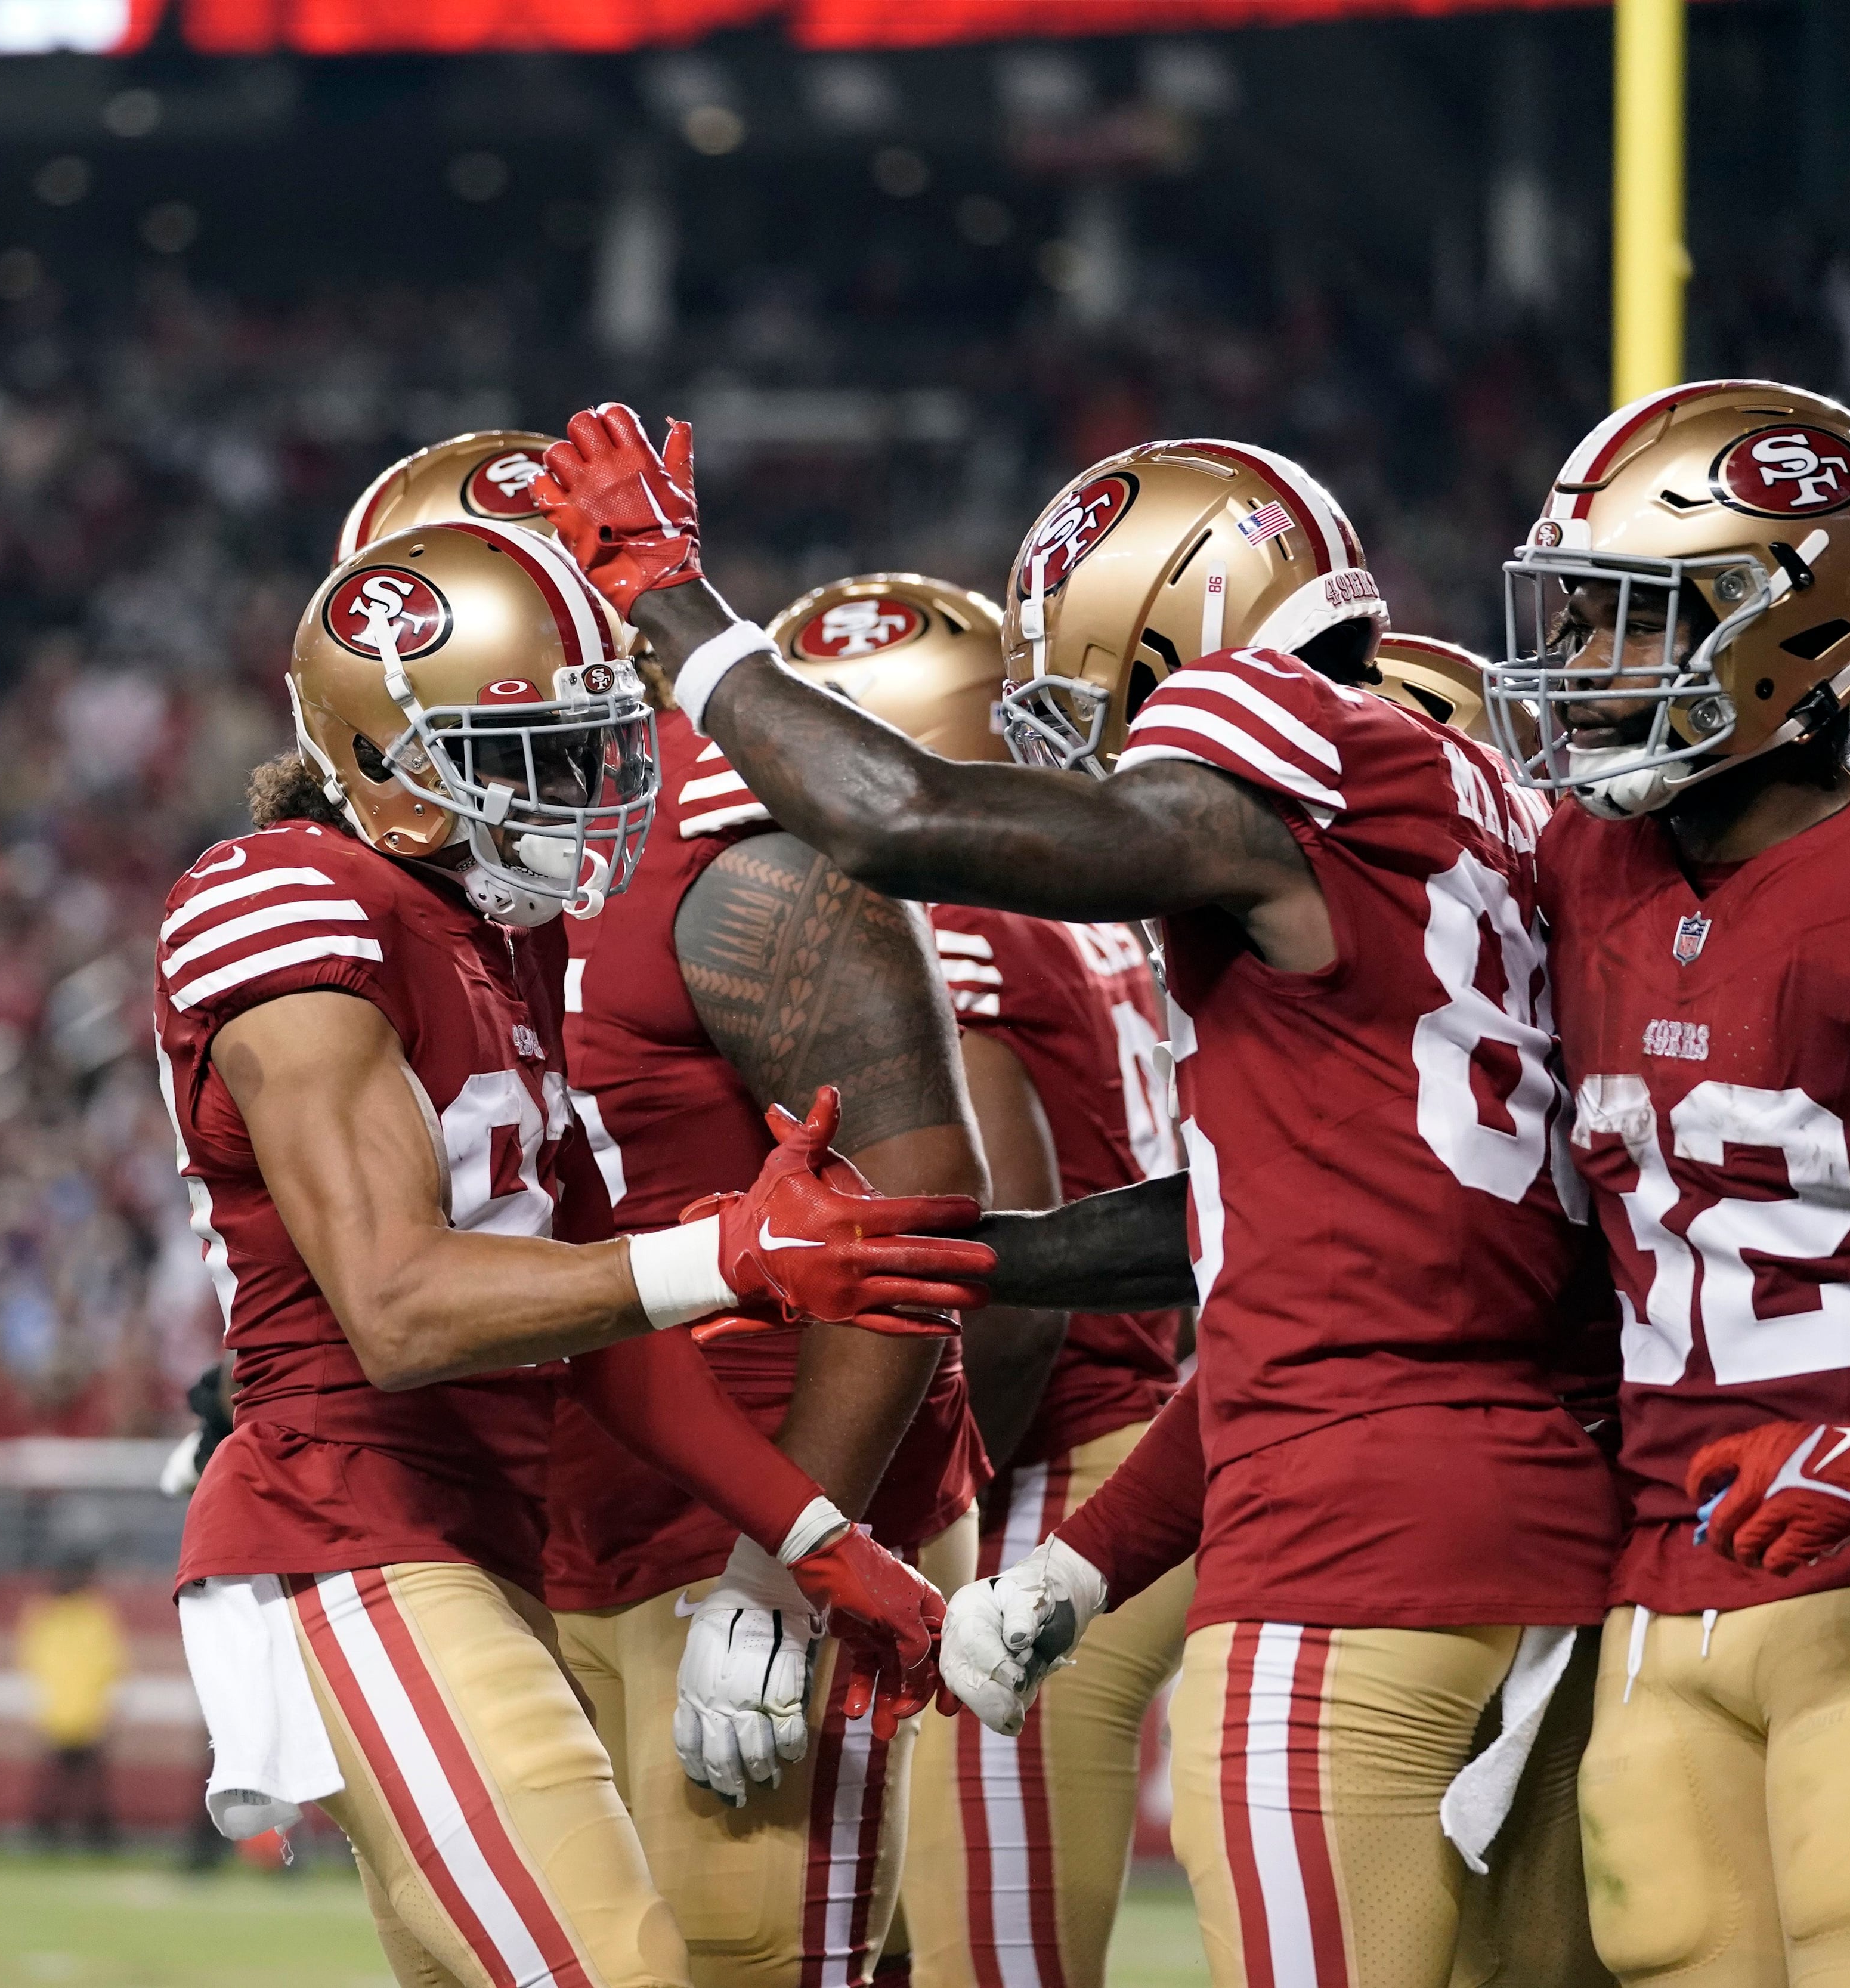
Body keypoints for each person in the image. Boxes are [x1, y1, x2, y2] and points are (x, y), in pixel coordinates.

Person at [533, 407, 1619, 1988]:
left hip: (1351, 1532)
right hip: (1540, 1491)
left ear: (1180, 629)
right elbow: (1282, 1230)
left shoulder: (1290, 740)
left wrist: (676, 607)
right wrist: (978, 1285)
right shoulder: (1479, 808)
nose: (1077, 735)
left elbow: (897, 818)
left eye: (1086, 680)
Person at [157, 517, 987, 1988]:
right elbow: (403, 1309)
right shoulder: (288, 906)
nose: (583, 787)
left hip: (477, 1529)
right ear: (389, 762)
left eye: (587, 739)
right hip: (347, 1524)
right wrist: (729, 1254)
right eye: (528, 751)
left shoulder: (499, 936)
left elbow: (596, 1334)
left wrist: (812, 1541)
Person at [1477, 380, 1850, 1987]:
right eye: (1574, 617)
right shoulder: (1572, 869)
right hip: (1662, 1574)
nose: (1584, 667)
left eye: (1638, 623)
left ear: (1797, 634)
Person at [771, 572, 1192, 1988]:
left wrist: (911, 1522)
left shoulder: (947, 919)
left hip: (1047, 1471)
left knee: (984, 1964)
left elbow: (994, 1260)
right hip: (1138, 1431)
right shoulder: (1075, 902)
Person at [18, 1556, 128, 1850]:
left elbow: (108, 1664)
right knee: (74, 1781)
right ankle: (74, 1835)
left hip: (76, 1712)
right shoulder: (80, 1615)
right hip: (76, 1712)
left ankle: (61, 1834)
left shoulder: (69, 1615)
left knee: (76, 1781)